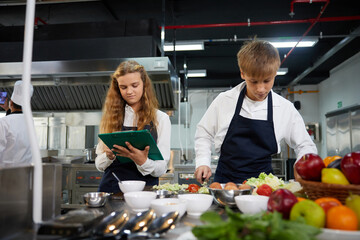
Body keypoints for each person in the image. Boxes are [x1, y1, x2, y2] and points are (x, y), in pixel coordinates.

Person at [194, 40, 317, 184]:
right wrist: (203, 161)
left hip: (263, 184)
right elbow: (204, 133)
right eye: (253, 81)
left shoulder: (284, 108)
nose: (260, 89)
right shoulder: (225, 100)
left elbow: (305, 145)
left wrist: (303, 164)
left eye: (266, 81)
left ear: (275, 73)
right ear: (242, 74)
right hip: (225, 183)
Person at [95, 60, 171, 193]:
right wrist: (108, 156)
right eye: (123, 87)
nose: (129, 91)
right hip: (112, 190)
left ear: (144, 85)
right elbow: (99, 165)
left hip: (145, 193)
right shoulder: (110, 118)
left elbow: (161, 168)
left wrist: (143, 161)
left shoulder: (160, 118)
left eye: (134, 85)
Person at [0, 80, 34, 167]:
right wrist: (7, 109)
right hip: (25, 173)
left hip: (6, 174)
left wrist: (8, 109)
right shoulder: (30, 121)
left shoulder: (4, 122)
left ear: (11, 103)